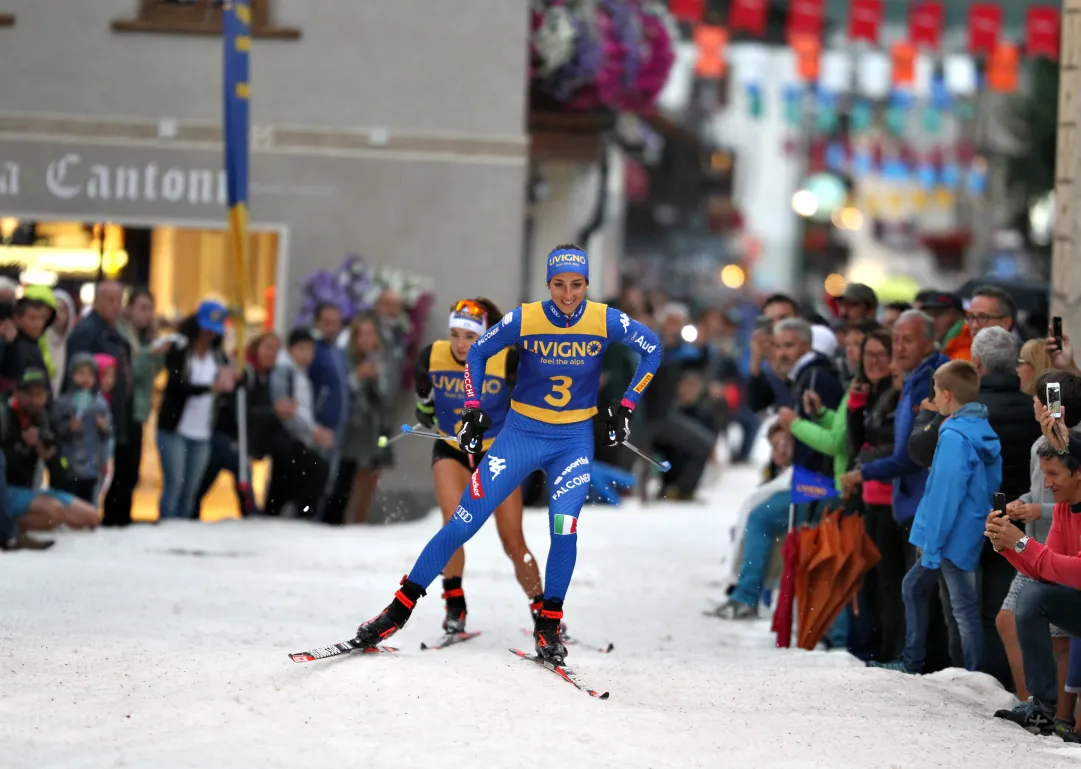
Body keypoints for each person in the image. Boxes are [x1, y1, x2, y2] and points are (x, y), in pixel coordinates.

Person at [347, 244, 663, 664]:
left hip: (572, 442)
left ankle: (548, 625)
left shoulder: (603, 318)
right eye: (559, 285)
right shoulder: (525, 318)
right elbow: (477, 352)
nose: (568, 295)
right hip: (519, 437)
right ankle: (397, 611)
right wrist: (475, 409)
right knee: (461, 523)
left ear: (587, 284)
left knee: (563, 529)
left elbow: (653, 348)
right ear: (548, 284)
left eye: (577, 285)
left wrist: (625, 406)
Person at [411, 296, 544, 633]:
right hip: (452, 448)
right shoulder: (432, 355)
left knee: (512, 540)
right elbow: (424, 396)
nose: (459, 344)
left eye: (469, 337)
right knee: (453, 528)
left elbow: (530, 402)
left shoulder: (504, 359)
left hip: (497, 454)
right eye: (455, 334)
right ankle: (455, 606)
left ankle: (544, 611)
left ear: (484, 336)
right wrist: (425, 410)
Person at [870, 360, 1002, 674]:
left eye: (934, 392)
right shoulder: (978, 429)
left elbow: (945, 496)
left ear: (946, 395)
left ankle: (959, 670)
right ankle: (964, 670)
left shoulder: (955, 437)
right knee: (947, 600)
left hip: (948, 537)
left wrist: (932, 547)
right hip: (964, 532)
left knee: (958, 606)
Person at [987, 437, 1081, 735]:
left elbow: (1077, 571)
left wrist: (1022, 541)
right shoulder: (1066, 508)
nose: (1047, 483)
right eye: (1044, 474)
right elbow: (1046, 573)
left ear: (1078, 472)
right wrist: (1007, 546)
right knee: (1030, 596)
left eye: (1053, 474)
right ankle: (1041, 707)